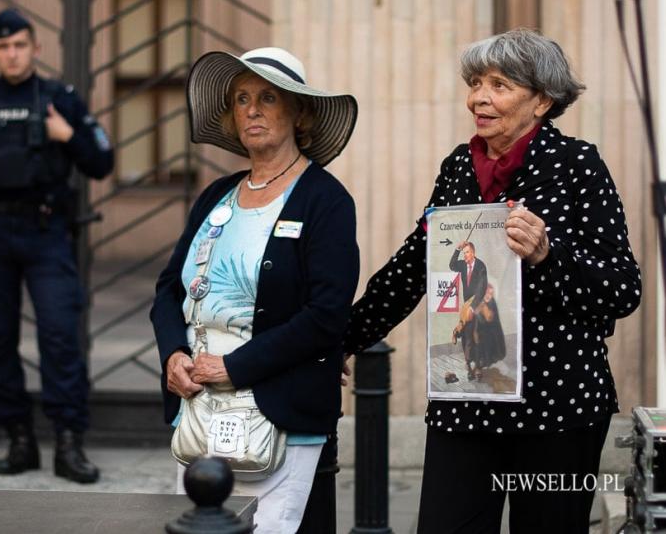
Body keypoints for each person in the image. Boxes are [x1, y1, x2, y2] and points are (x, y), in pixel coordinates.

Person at [343, 28, 641, 533]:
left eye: (499, 84)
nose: (479, 97)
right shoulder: (458, 167)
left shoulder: (577, 165)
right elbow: (413, 265)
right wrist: (341, 339)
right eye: (476, 82)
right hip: (467, 400)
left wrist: (549, 256)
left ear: (542, 100)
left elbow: (621, 287)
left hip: (558, 407)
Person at [150, 47, 359, 533]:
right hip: (201, 406)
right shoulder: (214, 196)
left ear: (299, 111)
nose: (252, 109)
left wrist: (235, 366)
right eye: (241, 98)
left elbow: (326, 314)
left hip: (280, 412)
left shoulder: (325, 199)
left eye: (268, 97)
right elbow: (167, 290)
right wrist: (173, 355)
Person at [0, 8, 113, 484]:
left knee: (58, 334)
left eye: (20, 44)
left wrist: (67, 135)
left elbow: (102, 160)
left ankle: (68, 443)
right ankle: (19, 439)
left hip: (46, 230)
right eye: (4, 46)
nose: (12, 54)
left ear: (36, 48)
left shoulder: (60, 100)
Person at [449, 241, 488, 380]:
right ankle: (469, 367)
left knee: (477, 336)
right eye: (464, 252)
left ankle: (478, 367)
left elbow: (482, 287)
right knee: (467, 338)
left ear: (473, 253)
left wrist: (473, 306)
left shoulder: (481, 266)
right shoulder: (462, 264)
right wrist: (457, 249)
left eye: (467, 252)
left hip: (477, 306)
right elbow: (452, 265)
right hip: (466, 307)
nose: (465, 255)